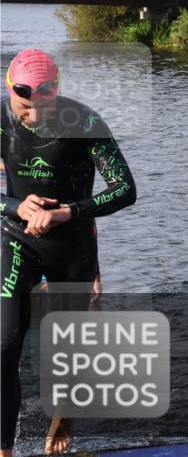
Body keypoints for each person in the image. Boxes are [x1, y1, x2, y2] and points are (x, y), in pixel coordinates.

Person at [0, 49, 137, 456]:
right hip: (16, 236)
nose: (36, 118)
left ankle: (64, 413)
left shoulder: (85, 122)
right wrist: (15, 207)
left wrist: (66, 213)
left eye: (44, 108)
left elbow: (125, 189)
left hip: (70, 243)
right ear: (11, 93)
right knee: (4, 346)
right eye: (26, 109)